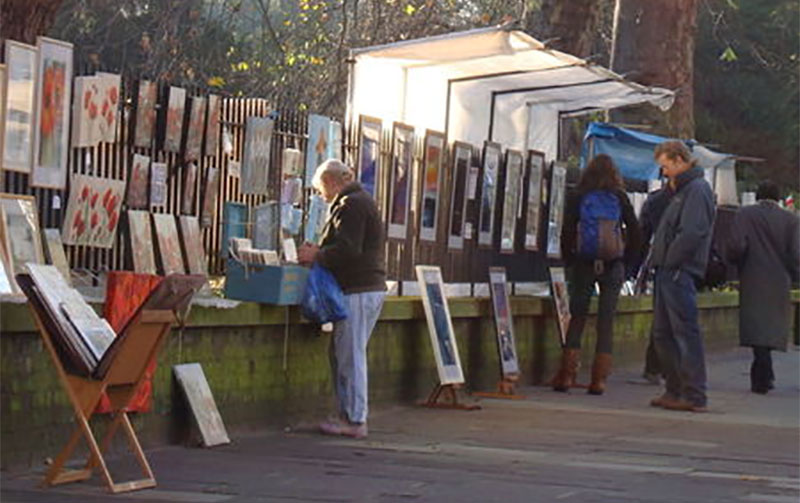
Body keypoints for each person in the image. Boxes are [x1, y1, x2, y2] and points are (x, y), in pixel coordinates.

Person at [298, 159, 386, 439]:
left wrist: (317, 254)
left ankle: (355, 419)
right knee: (344, 353)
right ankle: (347, 414)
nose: (322, 195)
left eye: (321, 188)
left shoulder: (351, 205)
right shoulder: (358, 201)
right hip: (366, 287)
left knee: (350, 355)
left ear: (331, 181)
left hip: (358, 288)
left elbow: (349, 249)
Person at [553, 154, 641, 395]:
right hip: (613, 265)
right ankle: (598, 380)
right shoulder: (620, 197)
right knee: (606, 321)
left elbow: (567, 230)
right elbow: (635, 231)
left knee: (577, 317)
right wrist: (626, 262)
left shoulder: (578, 195)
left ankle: (567, 375)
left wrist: (570, 260)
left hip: (583, 263)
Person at [649, 141, 715, 413]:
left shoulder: (696, 190)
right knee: (663, 333)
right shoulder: (680, 191)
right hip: (669, 269)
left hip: (679, 270)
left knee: (684, 333)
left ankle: (693, 393)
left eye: (665, 166)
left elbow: (692, 232)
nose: (663, 173)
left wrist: (671, 260)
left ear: (678, 160)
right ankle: (675, 389)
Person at [726, 181, 800, 394]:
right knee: (771, 325)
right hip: (779, 279)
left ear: (758, 195)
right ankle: (765, 371)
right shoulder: (791, 220)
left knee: (756, 324)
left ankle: (762, 372)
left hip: (752, 275)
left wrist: (735, 263)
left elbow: (736, 245)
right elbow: (796, 253)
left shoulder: (745, 214)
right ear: (778, 197)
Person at [627, 182, 675, 386]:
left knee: (661, 317)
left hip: (659, 263)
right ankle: (667, 368)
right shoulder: (697, 197)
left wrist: (634, 269)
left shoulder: (655, 200)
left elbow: (642, 236)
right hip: (683, 266)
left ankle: (654, 367)